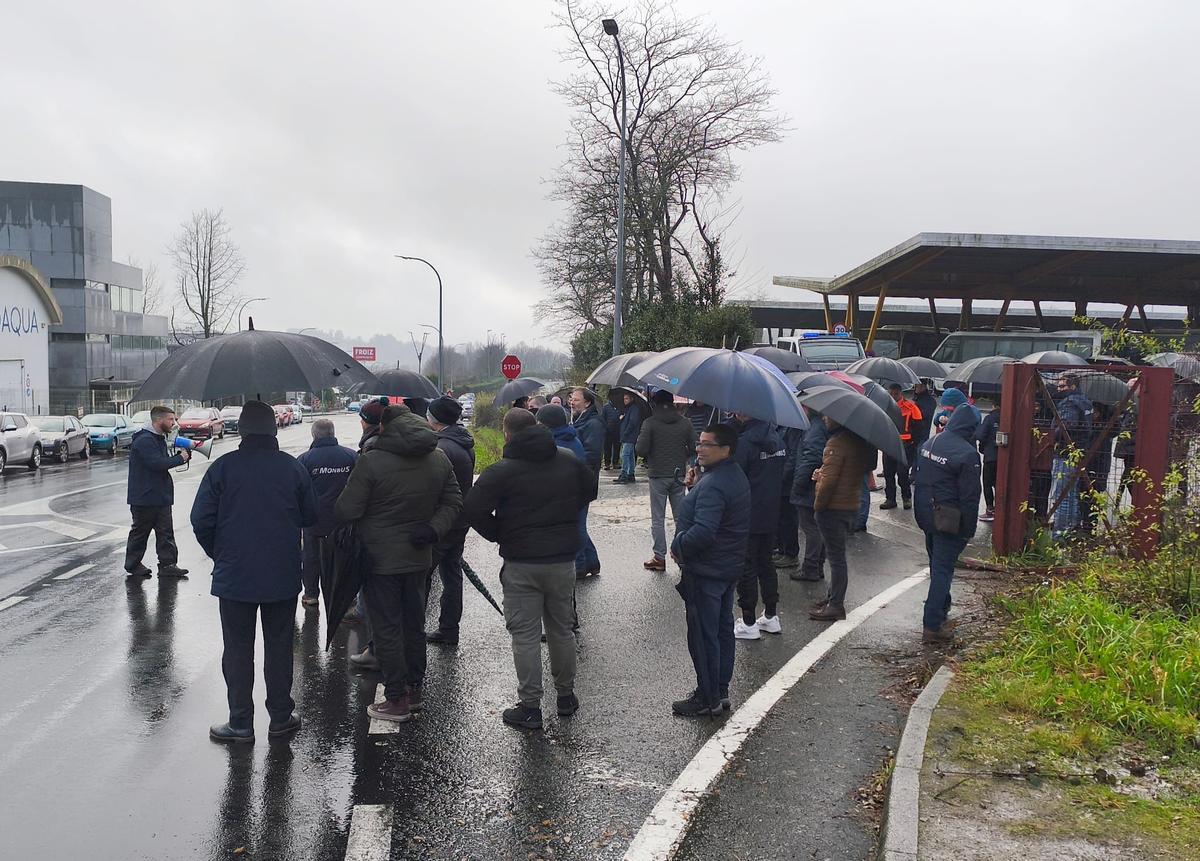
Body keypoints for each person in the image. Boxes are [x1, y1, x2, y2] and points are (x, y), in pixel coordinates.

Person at [191, 401, 319, 743]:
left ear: (242, 431)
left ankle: (241, 723)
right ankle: (280, 717)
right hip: (281, 574)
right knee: (279, 647)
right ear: (274, 430)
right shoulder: (292, 469)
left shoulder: (222, 468)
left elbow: (200, 519)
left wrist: (220, 553)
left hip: (235, 577)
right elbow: (311, 516)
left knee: (237, 649)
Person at [464, 408, 596, 730]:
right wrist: (565, 520)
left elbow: (471, 507)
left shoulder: (501, 472)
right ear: (537, 427)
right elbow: (590, 490)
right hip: (562, 560)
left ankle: (530, 706)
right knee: (561, 629)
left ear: (507, 434)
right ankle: (566, 696)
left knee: (525, 635)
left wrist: (499, 532)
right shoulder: (567, 459)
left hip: (522, 563)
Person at [334, 403, 462, 723]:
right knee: (413, 623)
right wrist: (433, 529)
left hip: (379, 560)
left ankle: (396, 698)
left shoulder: (372, 461)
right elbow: (453, 501)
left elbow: (347, 509)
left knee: (387, 627)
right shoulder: (438, 457)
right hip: (419, 555)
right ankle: (415, 689)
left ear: (383, 427)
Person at [669, 423, 751, 716]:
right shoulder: (729, 475)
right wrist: (695, 485)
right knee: (722, 628)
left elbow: (704, 531)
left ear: (725, 449)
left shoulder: (716, 483)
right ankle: (720, 688)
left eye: (707, 445)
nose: (699, 449)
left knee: (704, 635)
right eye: (699, 443)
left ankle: (708, 697)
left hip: (707, 569)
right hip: (726, 566)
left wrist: (678, 545)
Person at [913, 406, 982, 643]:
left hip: (926, 514)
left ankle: (941, 610)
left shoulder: (931, 443)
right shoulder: (967, 454)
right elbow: (970, 497)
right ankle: (932, 625)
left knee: (937, 565)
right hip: (949, 520)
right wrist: (968, 530)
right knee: (943, 571)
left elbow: (918, 477)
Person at [809, 415, 876, 622]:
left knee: (836, 559)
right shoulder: (859, 442)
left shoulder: (836, 443)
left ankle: (836, 604)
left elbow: (829, 483)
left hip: (833, 508)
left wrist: (818, 499)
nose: (825, 418)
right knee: (837, 556)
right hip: (850, 505)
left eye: (829, 416)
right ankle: (832, 597)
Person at [730, 412, 786, 639]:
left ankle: (749, 620)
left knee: (746, 567)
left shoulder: (744, 443)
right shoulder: (778, 440)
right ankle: (771, 615)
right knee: (766, 564)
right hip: (772, 511)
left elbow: (735, 477)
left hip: (748, 513)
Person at [425, 396, 476, 646]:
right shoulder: (463, 441)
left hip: (442, 521)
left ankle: (415, 629)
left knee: (423, 576)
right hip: (460, 519)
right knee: (452, 575)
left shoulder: (441, 448)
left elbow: (434, 489)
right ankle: (449, 627)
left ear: (434, 419)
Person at [295, 419, 357, 608]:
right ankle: (343, 596)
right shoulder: (351, 456)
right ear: (332, 433)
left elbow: (298, 491)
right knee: (342, 557)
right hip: (343, 519)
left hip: (314, 519)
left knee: (311, 557)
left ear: (314, 435)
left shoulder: (305, 460)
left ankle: (311, 594)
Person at [125, 405, 190, 579]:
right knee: (140, 533)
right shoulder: (145, 440)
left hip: (160, 496)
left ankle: (168, 565)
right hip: (145, 497)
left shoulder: (158, 438)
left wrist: (179, 458)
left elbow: (161, 462)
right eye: (170, 419)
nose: (174, 423)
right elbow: (156, 464)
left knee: (166, 533)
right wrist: (179, 458)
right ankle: (133, 564)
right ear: (158, 420)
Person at [636, 389, 697, 571]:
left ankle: (659, 557)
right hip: (678, 474)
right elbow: (694, 446)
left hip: (657, 474)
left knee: (658, 518)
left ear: (654, 403)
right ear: (672, 402)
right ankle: (682, 554)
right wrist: (682, 453)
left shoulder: (650, 423)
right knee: (681, 517)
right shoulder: (685, 423)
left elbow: (641, 449)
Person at [788, 407, 829, 582]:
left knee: (811, 528)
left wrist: (798, 484)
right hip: (813, 484)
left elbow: (810, 458)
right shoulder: (817, 426)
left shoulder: (814, 428)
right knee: (816, 527)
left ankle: (811, 567)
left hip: (809, 486)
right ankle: (816, 566)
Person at [1049, 373, 1093, 537]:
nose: (1059, 389)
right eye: (1058, 386)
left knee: (1062, 495)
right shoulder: (1085, 401)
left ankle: (1060, 533)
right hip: (1079, 451)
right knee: (1072, 492)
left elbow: (1068, 426)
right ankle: (1071, 528)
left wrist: (1054, 435)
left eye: (1062, 386)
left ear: (1072, 386)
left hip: (1065, 452)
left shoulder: (1069, 403)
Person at [569, 387, 605, 577]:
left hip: (583, 481)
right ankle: (592, 562)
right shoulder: (579, 419)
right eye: (571, 399)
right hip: (579, 479)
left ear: (587, 402)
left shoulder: (594, 423)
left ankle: (580, 566)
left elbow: (591, 455)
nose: (571, 402)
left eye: (575, 399)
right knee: (578, 523)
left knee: (578, 525)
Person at [880, 383, 922, 511]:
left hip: (906, 446)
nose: (893, 396)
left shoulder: (911, 407)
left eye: (896, 394)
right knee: (888, 473)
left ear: (901, 394)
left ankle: (906, 497)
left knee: (902, 473)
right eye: (891, 394)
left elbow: (919, 427)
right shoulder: (884, 407)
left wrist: (913, 443)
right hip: (889, 445)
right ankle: (890, 499)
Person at [772, 425, 805, 569]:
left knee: (788, 518)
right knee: (781, 517)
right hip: (780, 477)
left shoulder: (794, 428)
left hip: (786, 481)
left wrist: (782, 476)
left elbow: (792, 455)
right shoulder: (781, 427)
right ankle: (782, 549)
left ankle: (791, 554)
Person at [975, 396, 1001, 521]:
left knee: (987, 483)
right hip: (1004, 458)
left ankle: (990, 509)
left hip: (990, 456)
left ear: (994, 406)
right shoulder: (1009, 417)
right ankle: (1001, 509)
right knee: (1000, 484)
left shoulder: (990, 418)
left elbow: (980, 434)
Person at [614, 392, 644, 483]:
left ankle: (624, 474)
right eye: (624, 398)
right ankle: (630, 473)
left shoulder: (634, 408)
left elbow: (632, 422)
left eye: (626, 398)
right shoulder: (628, 409)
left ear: (631, 399)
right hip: (628, 435)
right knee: (630, 455)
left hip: (629, 435)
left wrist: (625, 433)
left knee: (625, 454)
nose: (625, 400)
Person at [910, 379, 938, 448]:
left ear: (923, 387)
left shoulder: (929, 401)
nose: (915, 387)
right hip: (913, 433)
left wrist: (914, 408)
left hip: (922, 433)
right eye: (915, 386)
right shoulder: (915, 398)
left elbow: (925, 414)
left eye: (917, 386)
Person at [601, 398, 621, 470]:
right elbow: (603, 418)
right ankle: (607, 463)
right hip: (608, 431)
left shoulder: (620, 407)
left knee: (617, 447)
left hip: (618, 430)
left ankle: (615, 463)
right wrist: (605, 428)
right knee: (607, 448)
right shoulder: (606, 407)